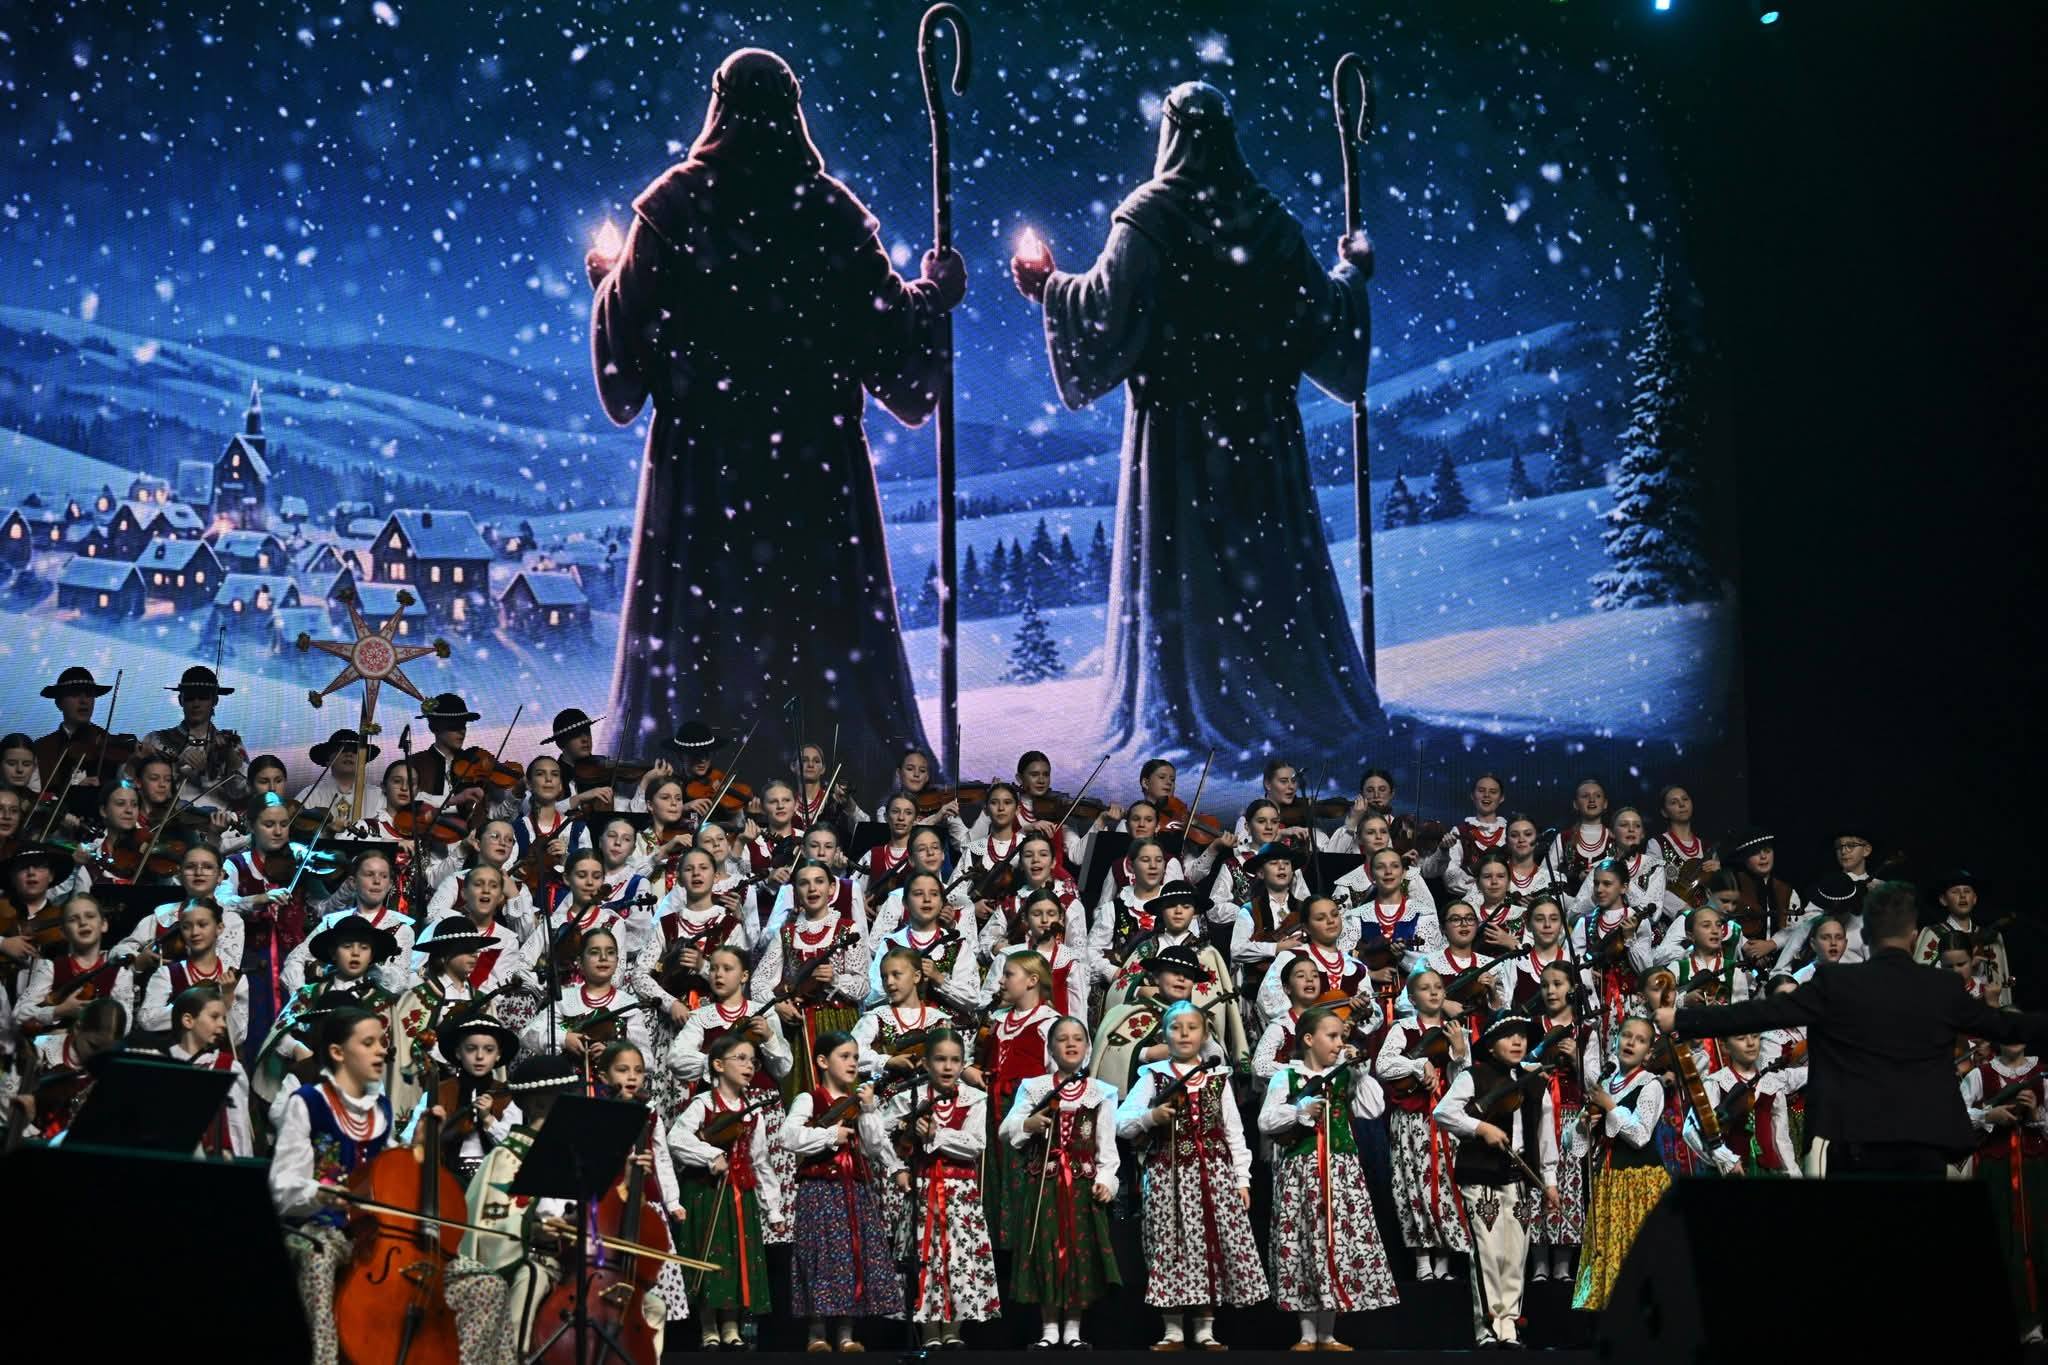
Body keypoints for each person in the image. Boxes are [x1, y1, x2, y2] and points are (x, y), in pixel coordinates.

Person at [587, 46, 965, 776]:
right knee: (815, 637)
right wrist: (935, 295)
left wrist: (607, 286)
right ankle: (821, 773)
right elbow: (891, 342)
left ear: (718, 107)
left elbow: (626, 362)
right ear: (793, 112)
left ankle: (709, 776)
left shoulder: (670, 211)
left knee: (705, 640)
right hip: (812, 473)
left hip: (704, 476)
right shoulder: (829, 215)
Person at [1013, 80, 1380, 757]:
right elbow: (1323, 317)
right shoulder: (1269, 223)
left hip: (1178, 440)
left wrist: (1049, 288)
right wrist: (1353, 274)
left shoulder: (1149, 221)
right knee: (1265, 569)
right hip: (1263, 438)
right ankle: (1286, 696)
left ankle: (1189, 705)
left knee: (1189, 575)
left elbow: (1103, 315)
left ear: (1172, 133)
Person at [1658, 880, 2048, 1176]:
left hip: (1854, 1142)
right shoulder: (1942, 987)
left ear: (1866, 936)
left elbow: (1760, 1014)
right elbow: (2007, 1026)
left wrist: (1681, 1018)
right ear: (1914, 935)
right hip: (1925, 1143)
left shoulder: (1836, 983)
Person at [1115, 1000, 1269, 1348]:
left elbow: (1233, 1132)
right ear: (1164, 1035)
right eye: (1176, 1027)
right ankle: (1172, 1329)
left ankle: (1205, 1328)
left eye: (1192, 1027)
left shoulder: (1216, 1079)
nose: (1184, 1033)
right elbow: (1122, 1123)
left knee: (1210, 1247)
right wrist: (1150, 1118)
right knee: (1170, 1246)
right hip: (1168, 1177)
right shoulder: (1153, 1077)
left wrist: (1242, 1179)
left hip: (1214, 1178)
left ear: (1204, 1034)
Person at [1259, 1006, 1401, 1346]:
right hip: (1301, 1174)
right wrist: (1298, 1110)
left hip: (1340, 1172)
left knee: (1334, 1245)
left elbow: (1373, 1109)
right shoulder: (1286, 1077)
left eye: (1341, 1037)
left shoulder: (1343, 1075)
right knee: (1305, 1245)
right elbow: (1266, 1121)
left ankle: (1328, 1333)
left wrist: (1360, 1074)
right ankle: (1307, 1335)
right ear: (1309, 1039)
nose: (1339, 1043)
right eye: (1332, 1036)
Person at [268, 1006, 394, 1365]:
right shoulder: (307, 1102)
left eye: (382, 1042)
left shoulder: (381, 1109)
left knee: (481, 1283)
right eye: (368, 1043)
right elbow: (281, 1187)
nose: (381, 1051)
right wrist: (319, 1193)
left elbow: (390, 1175)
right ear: (338, 1052)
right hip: (317, 1227)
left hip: (373, 1234)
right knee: (318, 1255)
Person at [1432, 1012, 1560, 1350]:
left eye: (1522, 1036)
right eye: (1508, 1036)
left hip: (1520, 1177)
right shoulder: (1474, 1076)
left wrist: (1549, 1180)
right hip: (1482, 1176)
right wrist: (1480, 1127)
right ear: (1490, 1045)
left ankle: (1510, 1325)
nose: (1517, 1041)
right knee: (1488, 1253)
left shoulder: (1534, 1081)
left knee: (1515, 1254)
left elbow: (1545, 1134)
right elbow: (1443, 1112)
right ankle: (1488, 1326)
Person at [999, 1015, 1122, 1348]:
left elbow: (1107, 1149)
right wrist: (1028, 1124)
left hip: (1082, 1187)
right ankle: (1049, 1328)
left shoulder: (1101, 1093)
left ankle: (1073, 1330)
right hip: (1045, 1184)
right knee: (1047, 1252)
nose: (1070, 1044)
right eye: (1062, 1038)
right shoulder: (1035, 1087)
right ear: (1051, 1047)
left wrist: (1106, 1180)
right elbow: (1007, 1130)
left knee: (1079, 1253)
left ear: (1087, 1047)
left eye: (1078, 1038)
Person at [873, 1029, 1000, 1346]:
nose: (947, 1066)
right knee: (924, 1256)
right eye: (940, 1059)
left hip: (959, 1194)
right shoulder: (910, 1097)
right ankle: (929, 1329)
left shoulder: (974, 1099)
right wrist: (897, 1168)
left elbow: (975, 1144)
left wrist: (936, 1135)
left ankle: (953, 1330)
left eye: (955, 1060)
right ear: (927, 1063)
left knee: (957, 1257)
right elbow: (877, 1135)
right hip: (922, 1188)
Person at [778, 1030, 905, 1348]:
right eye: (844, 1056)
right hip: (820, 1191)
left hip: (854, 1190)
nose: (852, 1063)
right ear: (823, 1061)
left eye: (855, 1058)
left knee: (852, 1258)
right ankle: (817, 1335)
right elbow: (788, 1137)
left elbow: (874, 1147)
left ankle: (846, 1335)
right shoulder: (809, 1099)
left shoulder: (859, 1103)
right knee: (819, 1258)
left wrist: (869, 1110)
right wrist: (827, 1137)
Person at [671, 1031, 786, 1348]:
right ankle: (708, 1325)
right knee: (709, 1253)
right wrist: (710, 1156)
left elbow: (760, 1161)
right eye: (741, 1059)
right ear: (718, 1065)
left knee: (737, 1257)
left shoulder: (754, 1110)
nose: (749, 1066)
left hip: (740, 1194)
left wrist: (773, 1210)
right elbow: (676, 1139)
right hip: (706, 1193)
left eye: (753, 1061)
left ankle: (732, 1325)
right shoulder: (703, 1103)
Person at [1571, 1015, 1669, 1314]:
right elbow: (1577, 1143)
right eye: (1627, 1036)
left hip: (1640, 1181)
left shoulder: (1650, 1085)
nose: (1631, 1043)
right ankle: (1609, 1311)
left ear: (1648, 1052)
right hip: (1610, 1179)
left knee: (1636, 1245)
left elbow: (1640, 1135)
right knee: (1608, 1243)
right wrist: (1586, 1123)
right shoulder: (1606, 1083)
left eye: (1640, 1040)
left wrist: (1610, 1106)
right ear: (1616, 1039)